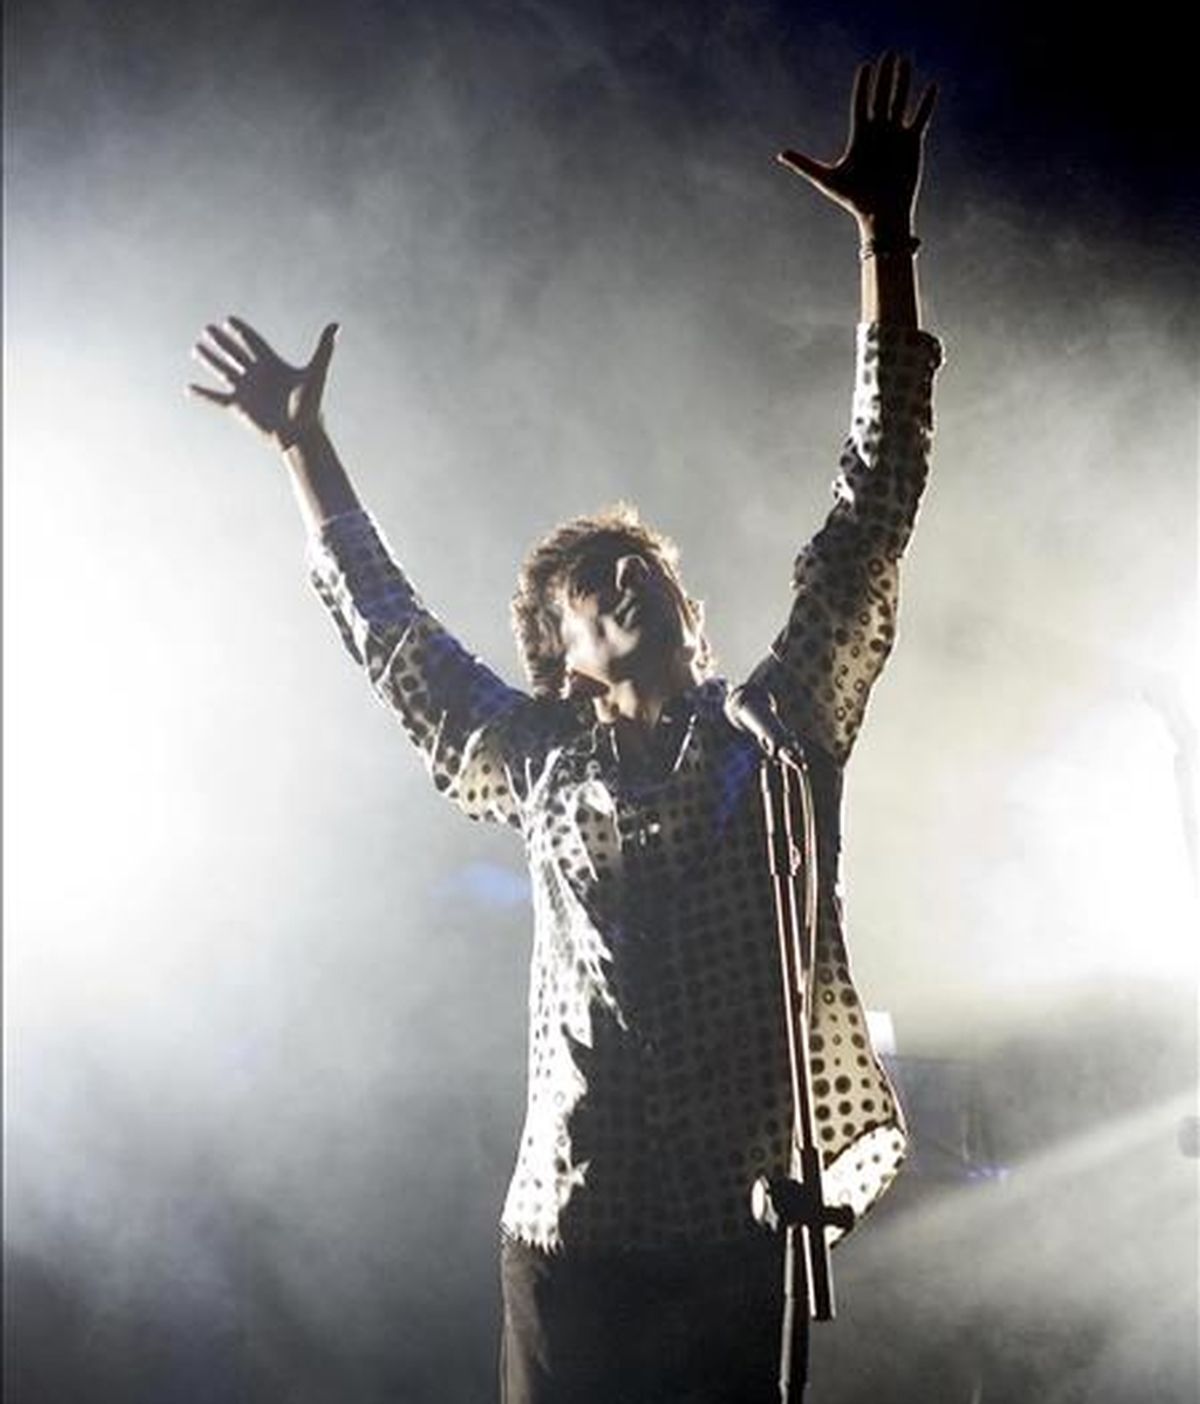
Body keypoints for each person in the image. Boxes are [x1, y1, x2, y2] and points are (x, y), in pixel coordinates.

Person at [191, 52, 943, 1404]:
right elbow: (396, 641)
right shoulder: (538, 767)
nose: (619, 580)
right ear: (567, 661)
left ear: (682, 610)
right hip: (571, 1249)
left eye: (633, 563)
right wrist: (305, 450)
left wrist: (887, 240)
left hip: (737, 1239)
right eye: (585, 588)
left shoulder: (778, 736)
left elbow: (870, 512)